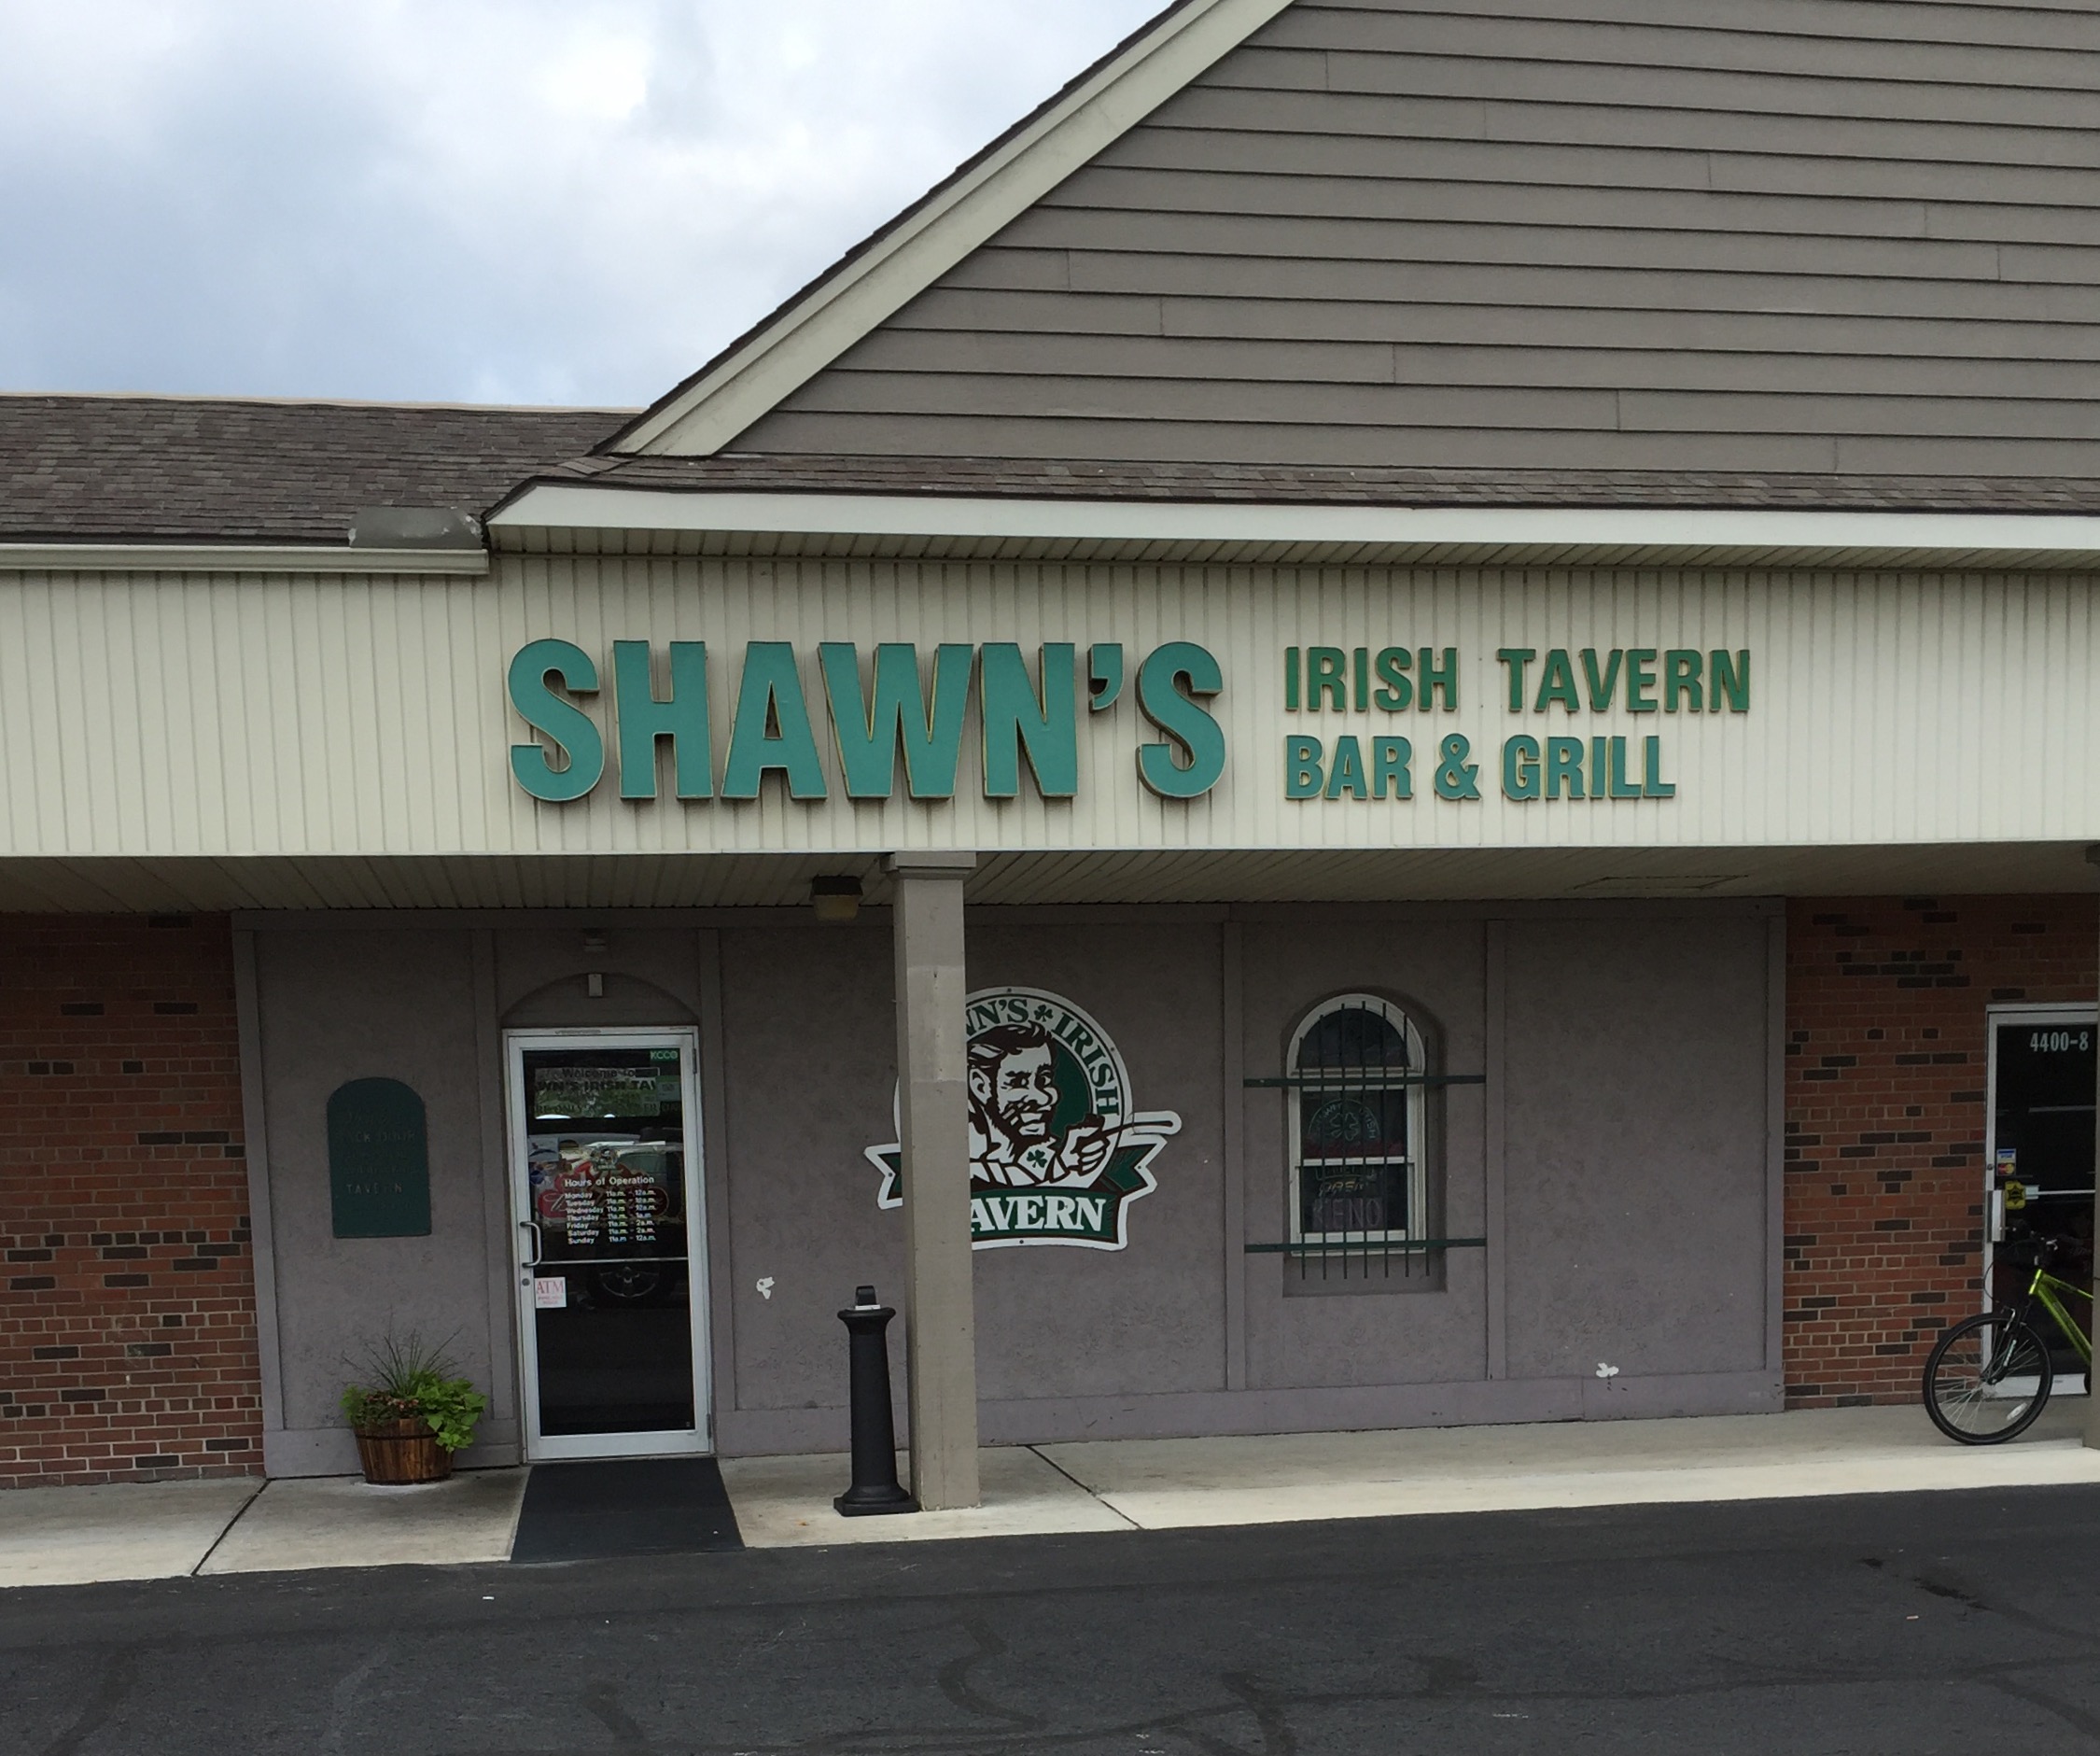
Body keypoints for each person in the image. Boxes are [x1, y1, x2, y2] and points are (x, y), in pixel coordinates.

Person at [966, 1022, 1119, 1188]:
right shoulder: (957, 1156)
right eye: (1018, 1082)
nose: (1043, 1098)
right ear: (981, 1086)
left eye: (1044, 1079)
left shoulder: (1050, 1152)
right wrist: (1060, 1166)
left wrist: (1066, 1162)